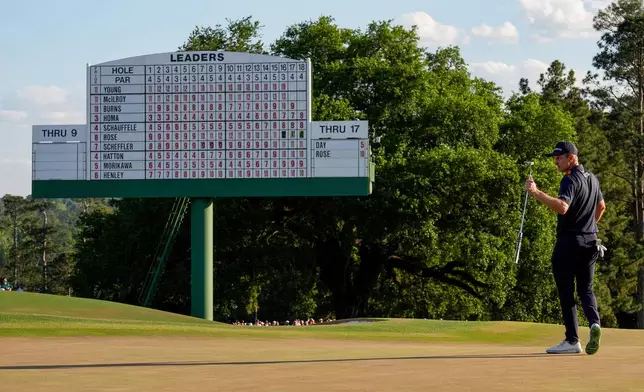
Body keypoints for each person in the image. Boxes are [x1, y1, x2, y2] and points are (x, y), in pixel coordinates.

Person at [524, 141, 605, 355]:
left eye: (559, 157)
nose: (555, 162)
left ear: (571, 157)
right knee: (586, 289)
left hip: (570, 242)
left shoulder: (570, 180)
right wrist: (590, 227)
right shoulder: (593, 178)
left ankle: (572, 340)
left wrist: (536, 192)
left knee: (567, 292)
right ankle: (595, 323)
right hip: (591, 241)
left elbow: (562, 207)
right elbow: (601, 206)